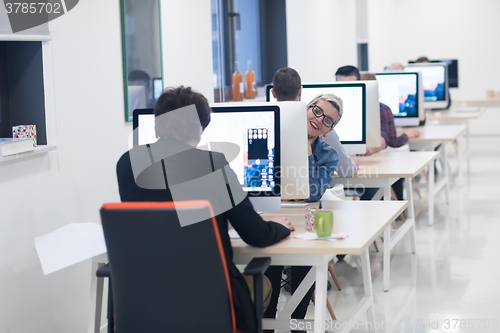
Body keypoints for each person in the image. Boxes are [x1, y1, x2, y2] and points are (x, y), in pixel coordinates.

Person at [116, 86, 295, 333]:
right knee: (262, 284)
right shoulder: (212, 164)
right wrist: (280, 226)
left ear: (156, 126)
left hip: (146, 295)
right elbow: (256, 235)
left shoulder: (128, 162)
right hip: (208, 296)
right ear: (200, 129)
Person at [272, 67, 358, 178]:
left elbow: (313, 191)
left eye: (327, 120)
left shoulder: (329, 154)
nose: (319, 119)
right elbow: (346, 170)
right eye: (317, 111)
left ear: (273, 92)